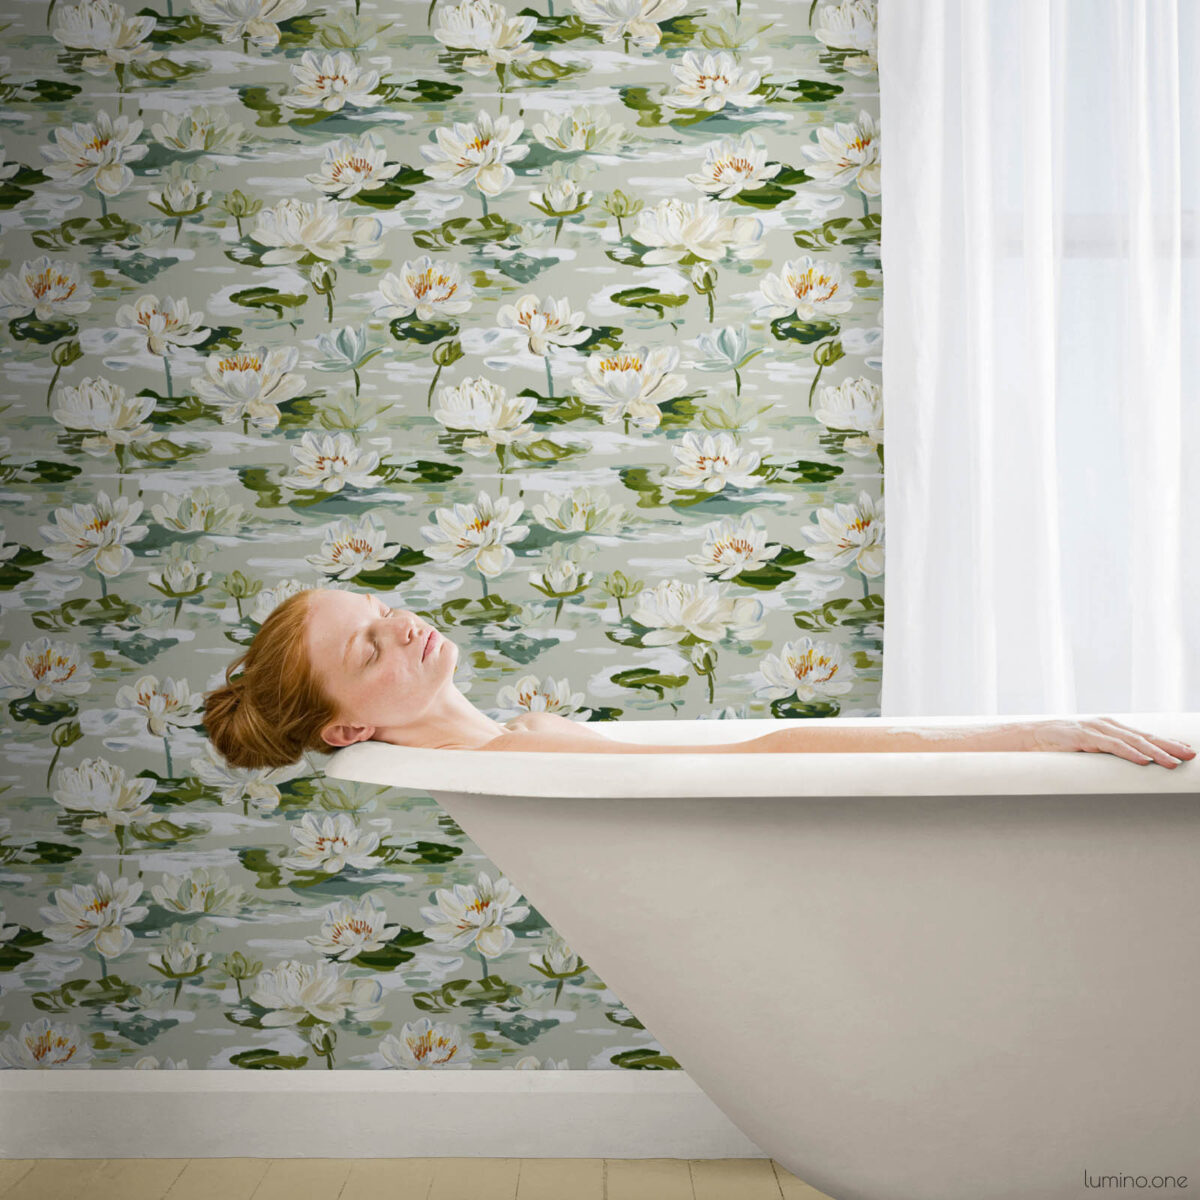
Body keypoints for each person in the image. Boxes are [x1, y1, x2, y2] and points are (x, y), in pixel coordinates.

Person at [202, 585, 1195, 772]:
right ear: (344, 728)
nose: (399, 626)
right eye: (367, 650)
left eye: (379, 610)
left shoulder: (517, 743)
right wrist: (1018, 737)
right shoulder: (526, 751)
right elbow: (761, 758)